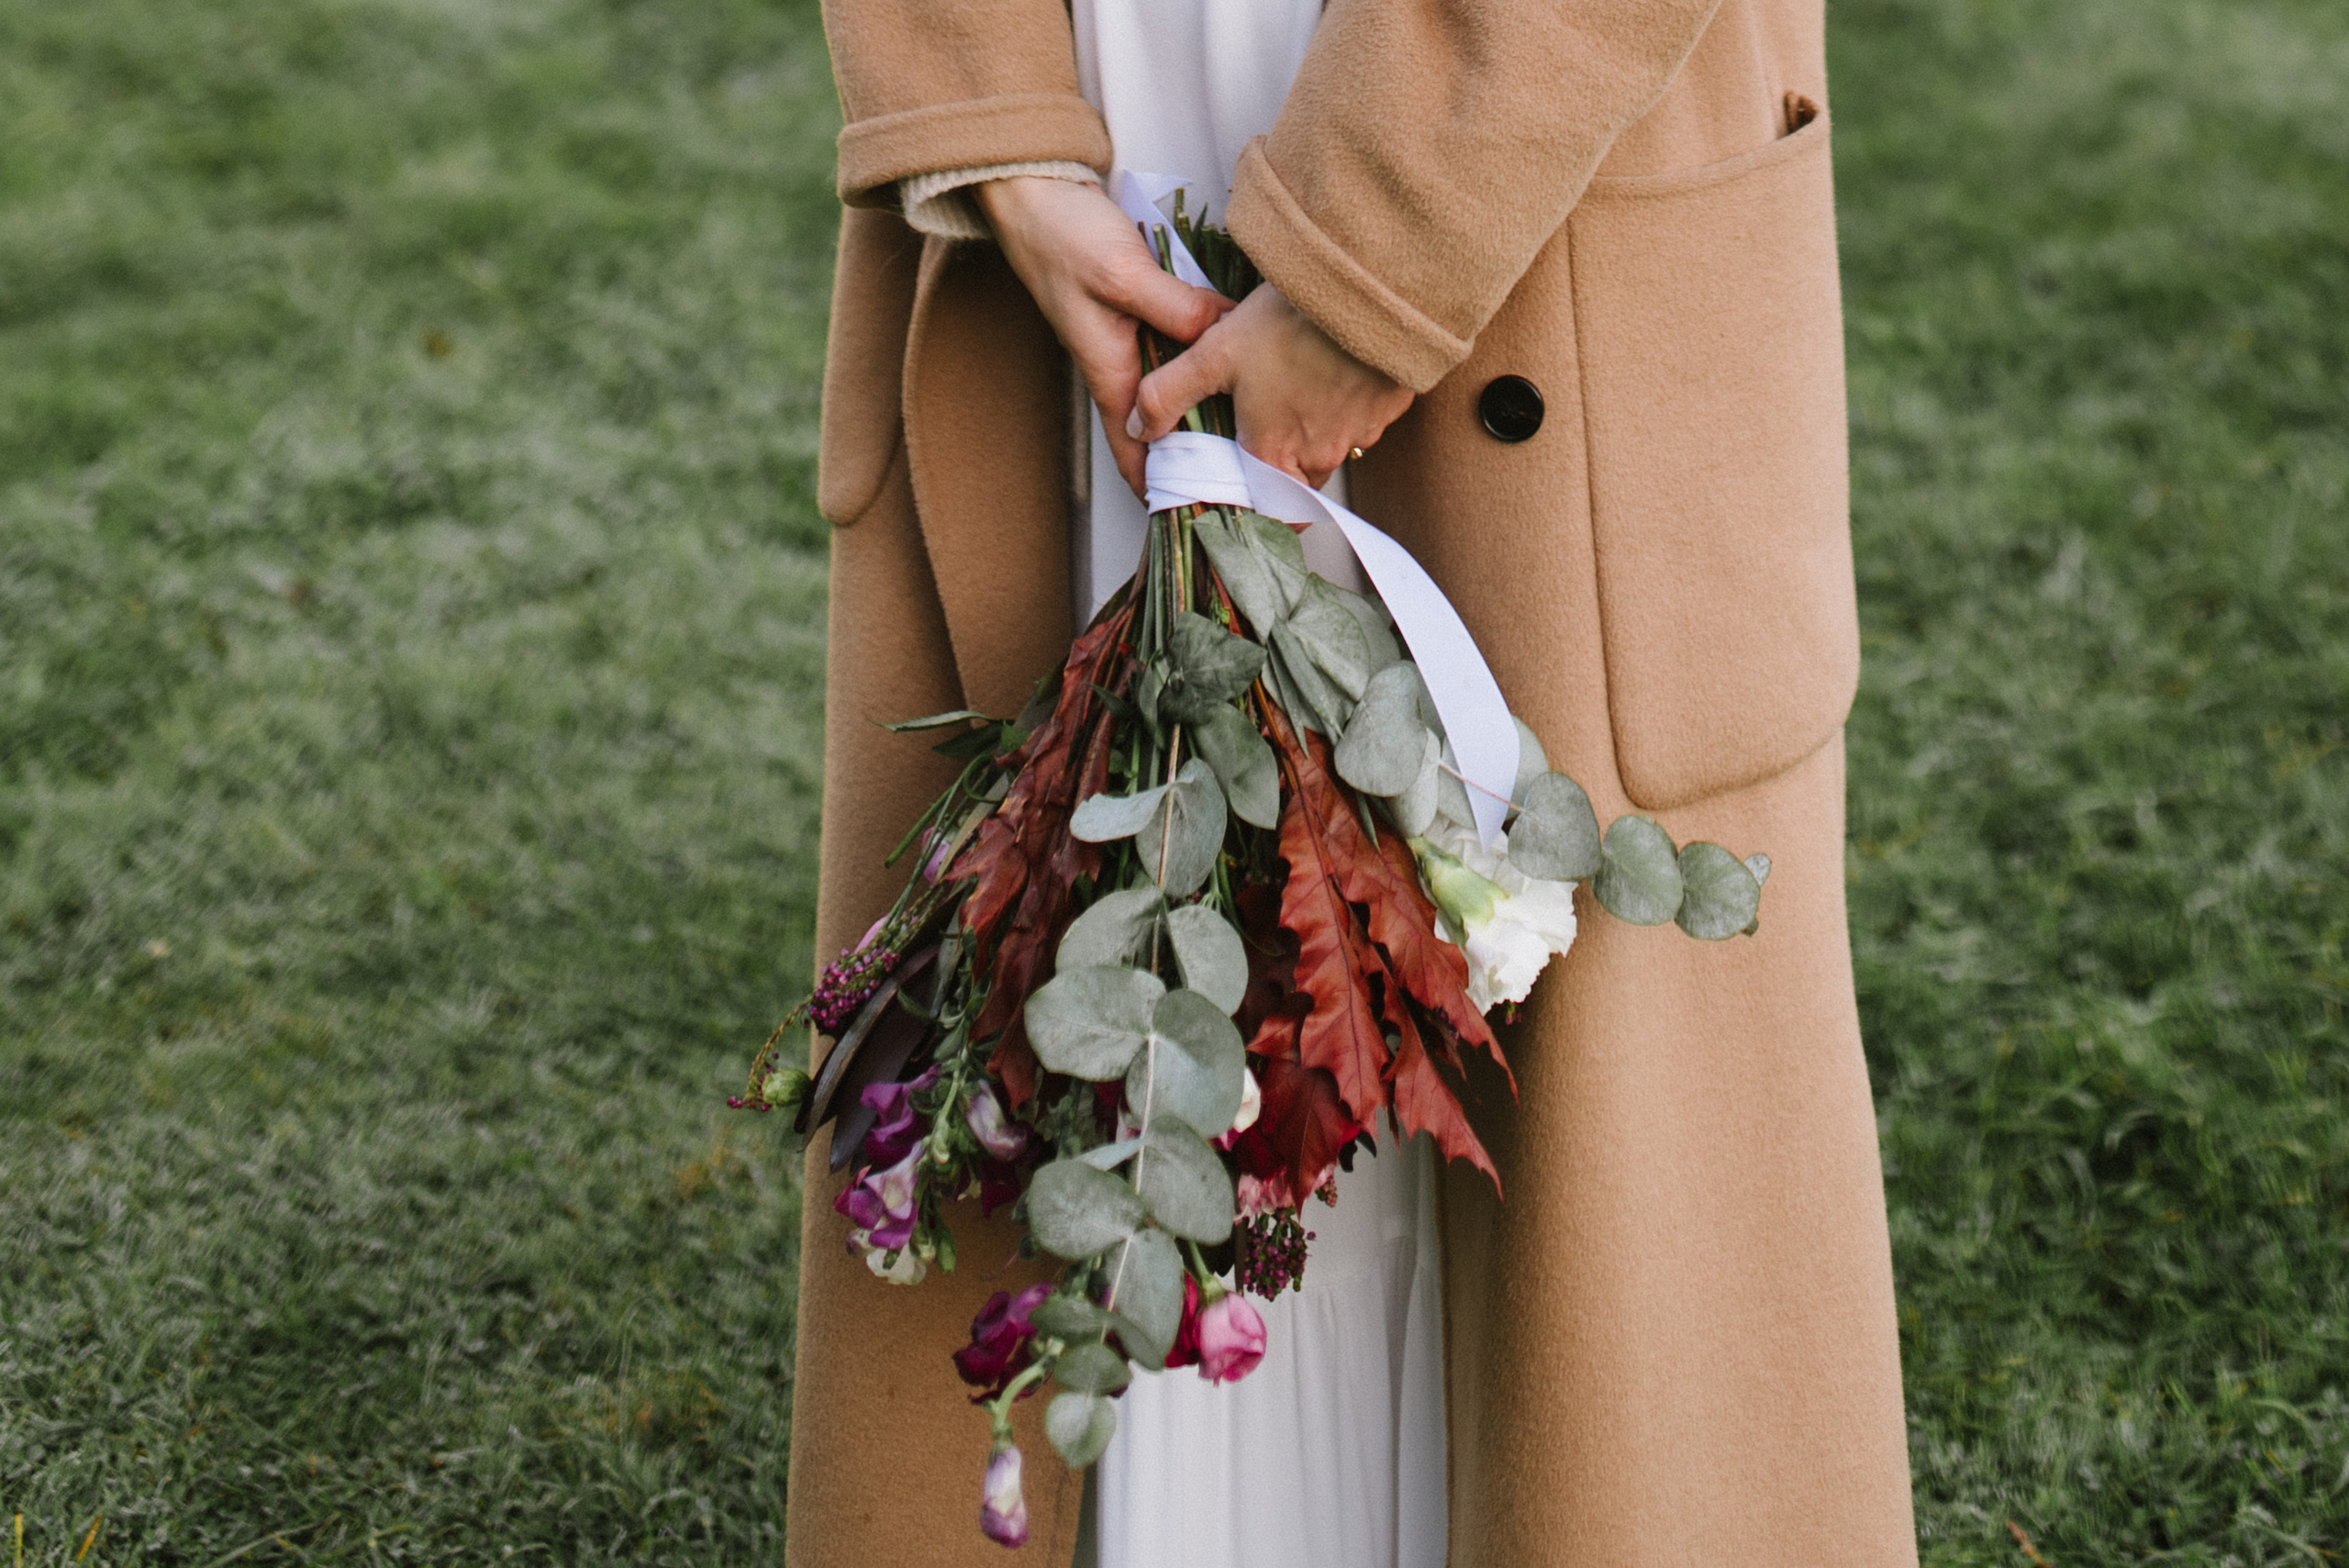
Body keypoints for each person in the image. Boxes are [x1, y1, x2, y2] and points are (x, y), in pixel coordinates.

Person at [785, 0, 1919, 1563]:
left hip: (1543, 178)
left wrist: (1367, 253)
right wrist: (987, 122)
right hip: (1087, 123)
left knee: (1594, 1191)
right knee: (1087, 896)